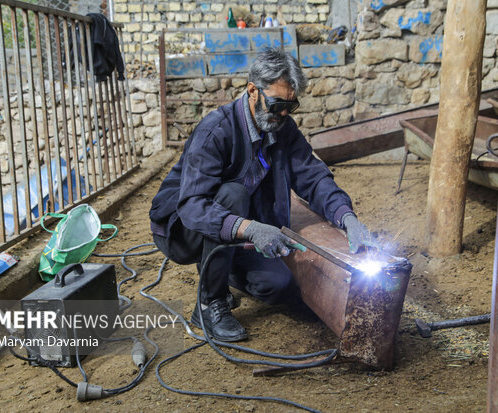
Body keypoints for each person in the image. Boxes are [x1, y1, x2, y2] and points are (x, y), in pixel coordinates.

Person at [149, 47, 375, 342]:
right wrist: (252, 229)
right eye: (277, 104)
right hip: (180, 228)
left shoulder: (283, 129)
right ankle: (209, 303)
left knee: (278, 285)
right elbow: (193, 205)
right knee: (233, 194)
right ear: (253, 91)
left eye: (290, 107)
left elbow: (314, 177)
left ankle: (221, 264)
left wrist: (347, 218)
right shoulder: (216, 131)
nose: (282, 114)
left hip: (233, 226)